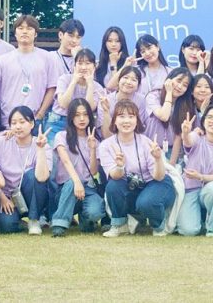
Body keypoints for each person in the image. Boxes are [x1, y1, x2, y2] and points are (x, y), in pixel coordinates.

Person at [98, 100, 175, 237]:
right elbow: (114, 176)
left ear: (137, 120)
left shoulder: (146, 142)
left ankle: (158, 226)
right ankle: (120, 225)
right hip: (131, 185)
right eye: (121, 116)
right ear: (114, 121)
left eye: (131, 116)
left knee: (146, 203)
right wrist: (120, 166)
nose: (126, 121)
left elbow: (159, 177)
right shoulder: (106, 145)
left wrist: (158, 158)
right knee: (113, 186)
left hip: (156, 183)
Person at [0, 106, 53, 234]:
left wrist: (40, 148)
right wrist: (2, 197)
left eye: (22, 122)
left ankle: (34, 219)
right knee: (5, 226)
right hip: (7, 196)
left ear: (32, 124)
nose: (18, 126)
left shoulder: (42, 145)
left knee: (31, 175)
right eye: (14, 123)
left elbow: (42, 177)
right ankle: (20, 223)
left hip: (31, 194)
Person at [0, 14, 59, 125]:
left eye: (29, 28)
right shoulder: (3, 59)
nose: (24, 32)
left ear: (35, 33)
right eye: (20, 28)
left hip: (34, 119)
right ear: (15, 33)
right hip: (8, 119)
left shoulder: (47, 57)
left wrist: (40, 113)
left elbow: (52, 88)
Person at [177, 104, 213, 237]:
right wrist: (185, 133)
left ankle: (212, 227)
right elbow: (188, 141)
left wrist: (200, 176)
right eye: (209, 117)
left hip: (210, 188)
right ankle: (196, 220)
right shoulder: (197, 136)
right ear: (203, 122)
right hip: (191, 189)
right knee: (188, 231)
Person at [50, 99, 103, 237]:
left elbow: (93, 171)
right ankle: (59, 224)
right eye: (77, 115)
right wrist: (76, 182)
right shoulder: (61, 136)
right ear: (71, 117)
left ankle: (86, 219)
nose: (82, 119)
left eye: (85, 114)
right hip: (65, 189)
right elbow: (66, 161)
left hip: (88, 188)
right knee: (70, 184)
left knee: (95, 213)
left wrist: (93, 149)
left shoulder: (95, 140)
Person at [48, 48, 101, 144]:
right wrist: (74, 81)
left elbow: (90, 108)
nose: (83, 67)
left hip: (82, 124)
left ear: (94, 66)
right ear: (74, 66)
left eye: (88, 63)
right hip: (59, 121)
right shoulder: (64, 79)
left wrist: (90, 84)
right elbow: (63, 104)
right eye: (80, 63)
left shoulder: (98, 87)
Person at [144, 68, 192, 165]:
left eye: (185, 85)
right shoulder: (153, 96)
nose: (180, 86)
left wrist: (172, 163)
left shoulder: (184, 104)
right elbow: (164, 116)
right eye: (178, 81)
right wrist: (169, 92)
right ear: (169, 80)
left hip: (170, 150)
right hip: (149, 148)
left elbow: (178, 135)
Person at [99, 66, 146, 138]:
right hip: (110, 140)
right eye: (125, 77)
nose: (128, 82)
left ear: (138, 85)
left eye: (134, 80)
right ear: (118, 81)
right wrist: (106, 111)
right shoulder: (105, 100)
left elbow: (139, 128)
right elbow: (106, 135)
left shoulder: (141, 100)